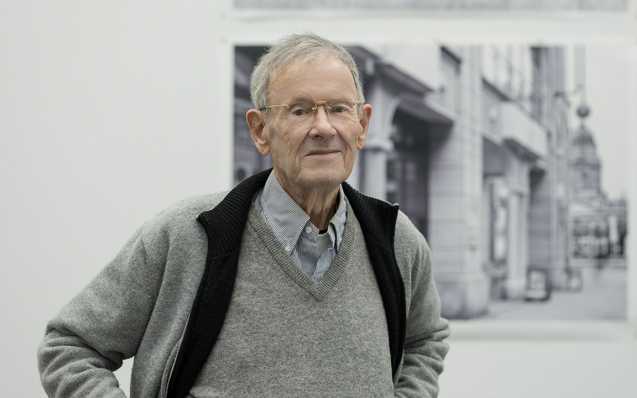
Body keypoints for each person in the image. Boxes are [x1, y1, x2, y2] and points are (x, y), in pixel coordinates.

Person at [38, 33, 450, 398]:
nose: (324, 128)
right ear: (259, 130)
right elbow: (71, 347)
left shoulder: (396, 240)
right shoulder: (186, 235)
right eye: (300, 110)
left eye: (339, 109)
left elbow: (425, 340)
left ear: (362, 125)